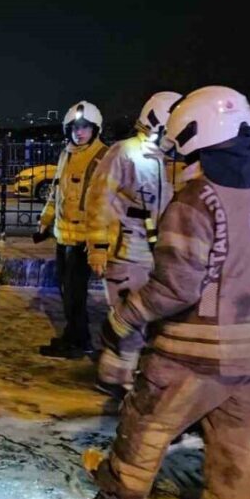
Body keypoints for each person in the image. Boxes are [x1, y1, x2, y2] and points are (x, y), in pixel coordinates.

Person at [85, 86, 250, 499]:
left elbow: (176, 287)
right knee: (238, 448)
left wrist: (124, 318)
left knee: (147, 421)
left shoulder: (195, 201)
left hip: (196, 349)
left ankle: (118, 496)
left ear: (192, 132)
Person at [85, 91, 183, 394]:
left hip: (151, 253)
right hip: (125, 253)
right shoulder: (124, 153)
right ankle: (113, 379)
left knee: (143, 319)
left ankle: (122, 376)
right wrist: (98, 248)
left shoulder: (162, 160)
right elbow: (99, 200)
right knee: (128, 318)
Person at [37, 101, 108, 359]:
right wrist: (45, 220)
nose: (80, 132)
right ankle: (72, 336)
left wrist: (98, 248)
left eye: (85, 127)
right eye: (76, 127)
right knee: (66, 291)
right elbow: (57, 191)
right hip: (63, 237)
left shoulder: (101, 157)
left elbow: (103, 206)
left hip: (82, 242)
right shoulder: (66, 154)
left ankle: (81, 342)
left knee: (76, 296)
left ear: (95, 129)